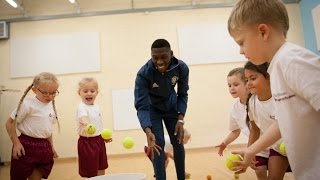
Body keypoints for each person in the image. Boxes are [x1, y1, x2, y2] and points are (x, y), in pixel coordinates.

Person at [227, 0, 320, 179]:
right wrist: (251, 150)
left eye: (241, 42)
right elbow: (284, 120)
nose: (240, 50)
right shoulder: (276, 67)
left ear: (263, 31)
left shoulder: (292, 60)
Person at [134, 38, 189, 180]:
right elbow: (141, 106)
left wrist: (180, 119)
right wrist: (147, 130)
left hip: (172, 106)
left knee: (178, 142)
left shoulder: (181, 68)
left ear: (171, 54)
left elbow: (182, 94)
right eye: (155, 58)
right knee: (157, 145)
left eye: (163, 57)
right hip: (153, 110)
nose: (159, 61)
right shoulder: (143, 74)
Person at [215, 67, 269, 180]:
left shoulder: (258, 101)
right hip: (257, 148)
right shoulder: (235, 108)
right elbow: (235, 131)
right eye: (229, 86)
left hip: (272, 144)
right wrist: (225, 143)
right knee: (259, 171)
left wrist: (250, 150)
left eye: (236, 84)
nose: (232, 88)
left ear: (247, 84)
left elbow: (256, 129)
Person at [5, 72, 60, 180]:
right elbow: (9, 123)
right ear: (34, 90)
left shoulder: (51, 106)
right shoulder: (27, 104)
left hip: (44, 148)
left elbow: (48, 130)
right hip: (26, 147)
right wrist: (16, 143)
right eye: (46, 93)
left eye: (54, 93)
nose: (50, 96)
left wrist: (51, 147)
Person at [244, 61, 290, 179]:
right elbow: (254, 130)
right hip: (278, 150)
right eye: (246, 80)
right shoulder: (252, 102)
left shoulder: (282, 97)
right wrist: (250, 151)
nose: (248, 83)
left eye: (253, 78)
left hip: (299, 146)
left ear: (268, 77)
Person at [76, 77, 112, 178]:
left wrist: (104, 136)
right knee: (91, 170)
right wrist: (86, 123)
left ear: (97, 92)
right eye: (85, 91)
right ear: (79, 93)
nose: (89, 93)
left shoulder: (96, 106)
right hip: (87, 143)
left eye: (92, 91)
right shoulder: (81, 107)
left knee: (101, 166)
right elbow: (83, 118)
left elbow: (98, 124)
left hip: (99, 141)